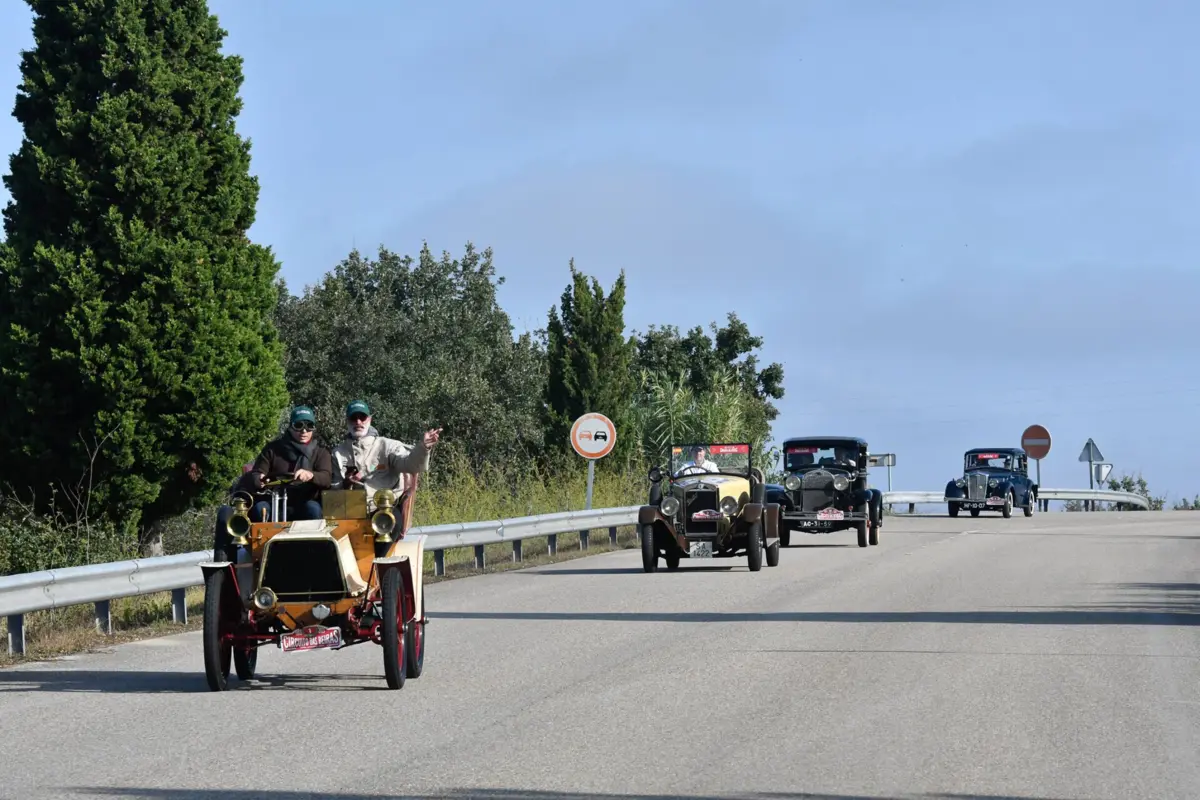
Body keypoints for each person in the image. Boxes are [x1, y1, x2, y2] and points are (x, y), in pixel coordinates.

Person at [331, 399, 441, 510]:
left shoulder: (388, 446)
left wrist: (424, 447)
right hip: (350, 509)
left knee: (393, 524)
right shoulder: (338, 453)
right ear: (347, 421)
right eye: (353, 418)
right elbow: (334, 490)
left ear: (369, 419)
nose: (358, 422)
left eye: (362, 417)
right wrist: (346, 483)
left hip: (384, 507)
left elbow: (411, 465)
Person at [245, 405, 333, 522]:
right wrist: (259, 479)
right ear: (290, 427)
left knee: (313, 510)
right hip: (274, 501)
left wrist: (311, 475)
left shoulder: (321, 452)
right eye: (298, 425)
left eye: (309, 426)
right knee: (260, 509)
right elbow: (257, 473)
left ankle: (313, 541)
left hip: (305, 502)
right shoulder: (272, 449)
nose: (304, 431)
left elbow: (327, 479)